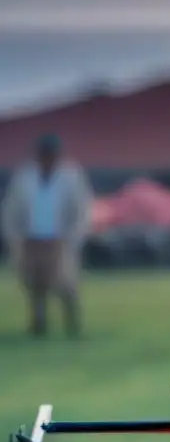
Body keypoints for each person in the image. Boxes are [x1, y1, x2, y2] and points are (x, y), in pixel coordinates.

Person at [1, 134, 93, 336]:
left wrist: (76, 235)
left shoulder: (70, 176)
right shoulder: (25, 176)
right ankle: (38, 324)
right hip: (31, 238)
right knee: (34, 284)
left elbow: (81, 207)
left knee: (66, 284)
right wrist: (14, 236)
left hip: (59, 238)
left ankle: (72, 324)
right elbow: (12, 207)